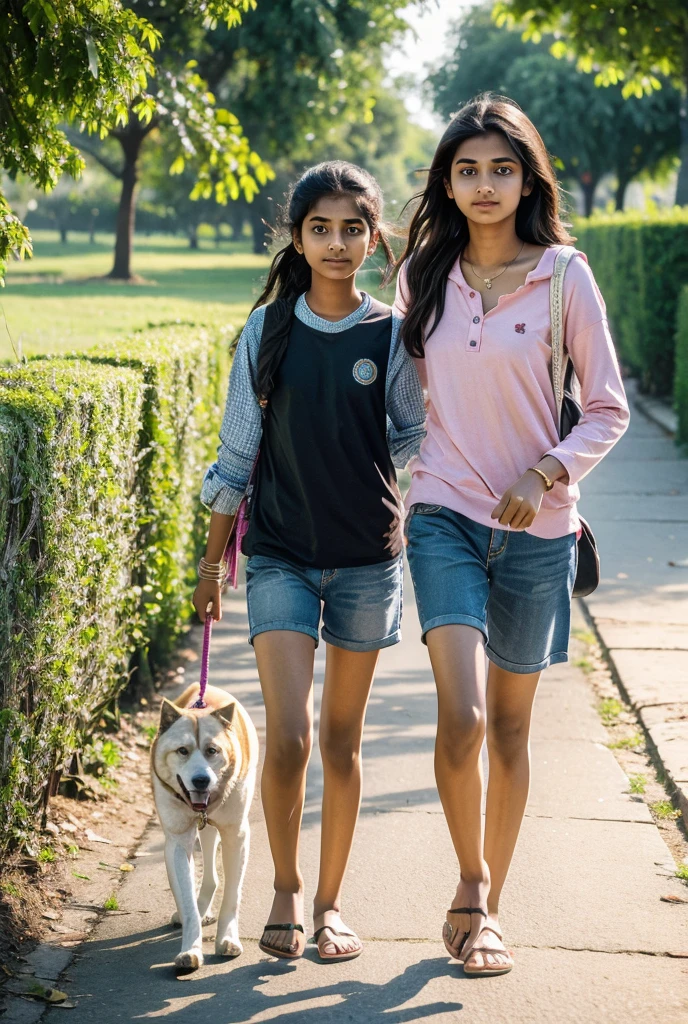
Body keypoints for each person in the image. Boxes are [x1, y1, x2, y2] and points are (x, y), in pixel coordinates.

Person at [393, 93, 629, 976]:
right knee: (461, 715)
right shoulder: (422, 278)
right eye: (467, 169)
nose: (485, 184)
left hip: (539, 529)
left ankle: (491, 905)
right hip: (446, 513)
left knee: (510, 732)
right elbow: (399, 403)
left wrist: (546, 473)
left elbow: (607, 407)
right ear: (446, 183)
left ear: (527, 178)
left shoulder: (565, 274)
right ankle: (471, 887)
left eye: (502, 168)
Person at [194, 161, 425, 962]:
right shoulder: (268, 331)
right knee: (287, 737)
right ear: (298, 236)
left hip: (367, 559)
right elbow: (236, 454)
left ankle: (330, 906)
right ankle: (286, 889)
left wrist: (415, 478)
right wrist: (208, 564)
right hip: (282, 557)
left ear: (372, 237)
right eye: (320, 228)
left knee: (341, 740)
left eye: (352, 228)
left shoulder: (391, 331)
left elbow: (411, 433)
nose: (336, 243)